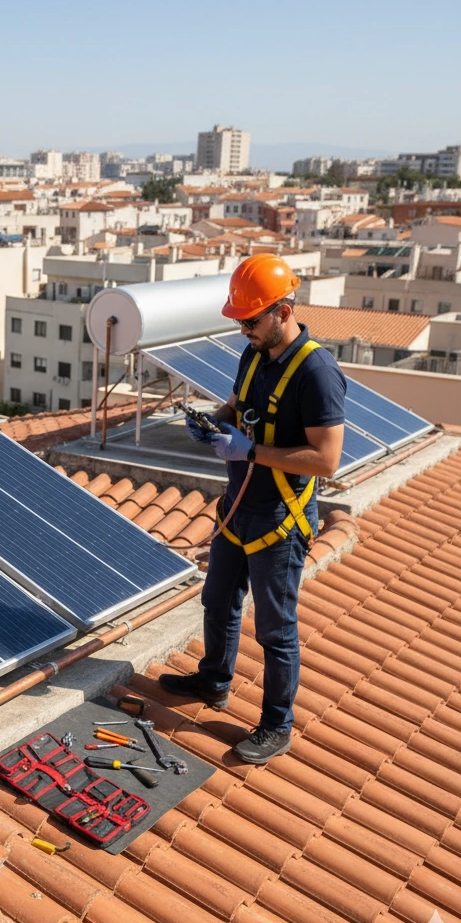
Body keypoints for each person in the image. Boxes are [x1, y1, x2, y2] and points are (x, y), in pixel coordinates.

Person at [160, 254, 346, 764]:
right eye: (239, 320)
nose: (244, 329)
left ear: (284, 310)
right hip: (238, 509)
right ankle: (214, 680)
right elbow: (239, 405)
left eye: (252, 319)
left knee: (275, 629)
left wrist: (250, 452)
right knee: (217, 601)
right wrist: (213, 421)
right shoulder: (254, 354)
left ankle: (276, 724)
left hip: (279, 521)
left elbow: (327, 459)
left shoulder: (317, 372)